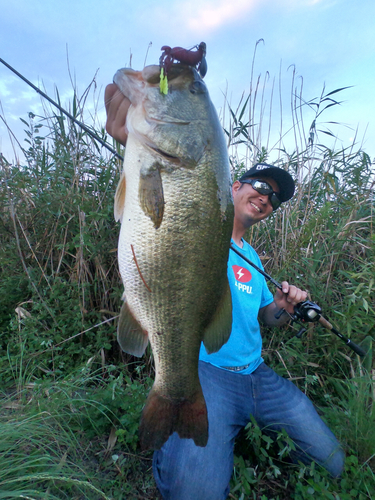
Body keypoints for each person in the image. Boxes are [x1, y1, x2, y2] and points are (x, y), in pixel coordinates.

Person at [105, 84, 345, 500]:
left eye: (276, 199)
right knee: (194, 493)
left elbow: (264, 318)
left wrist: (284, 307)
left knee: (335, 464)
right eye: (260, 186)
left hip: (258, 375)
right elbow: (156, 212)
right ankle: (174, 419)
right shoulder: (194, 225)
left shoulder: (253, 258)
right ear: (232, 185)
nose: (267, 198)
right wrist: (137, 145)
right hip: (206, 375)